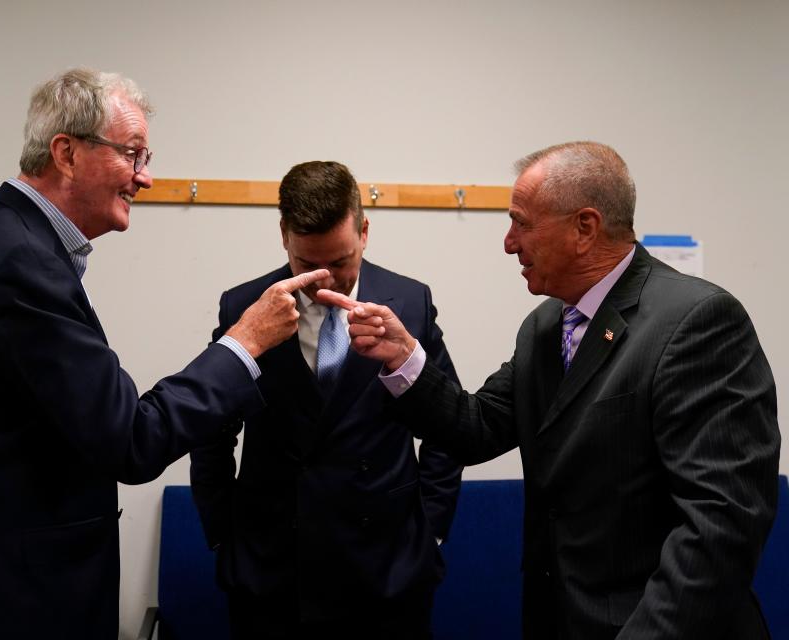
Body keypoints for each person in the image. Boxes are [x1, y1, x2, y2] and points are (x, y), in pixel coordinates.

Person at [0, 68, 329, 640]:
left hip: (1, 582)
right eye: (133, 155)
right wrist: (244, 342)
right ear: (67, 153)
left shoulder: (5, 237)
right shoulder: (22, 264)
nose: (144, 178)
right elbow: (130, 439)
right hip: (9, 601)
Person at [319, 142, 781, 639]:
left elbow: (719, 525)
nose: (508, 243)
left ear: (585, 228)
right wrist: (405, 358)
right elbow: (477, 429)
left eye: (521, 222)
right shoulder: (545, 326)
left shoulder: (697, 322)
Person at [189, 160, 464, 639]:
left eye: (340, 262)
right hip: (273, 569)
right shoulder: (244, 305)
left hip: (387, 568)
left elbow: (449, 422)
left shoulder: (411, 301)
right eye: (307, 264)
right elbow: (212, 430)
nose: (325, 281)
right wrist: (222, 533)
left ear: (364, 230)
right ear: (283, 237)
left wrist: (431, 530)